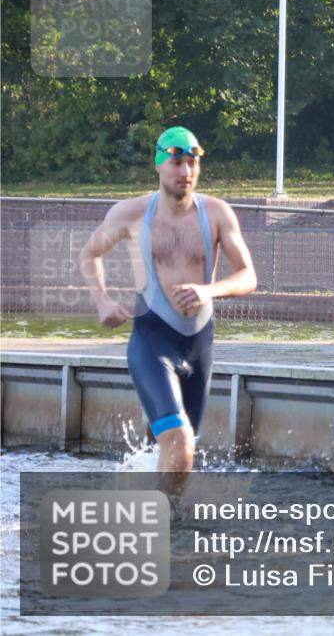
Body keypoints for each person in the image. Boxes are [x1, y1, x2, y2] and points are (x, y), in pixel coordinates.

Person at [80, 127, 257, 496]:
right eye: (177, 162)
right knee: (178, 442)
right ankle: (161, 525)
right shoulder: (131, 213)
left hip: (200, 346)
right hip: (152, 340)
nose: (186, 172)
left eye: (192, 163)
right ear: (159, 165)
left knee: (183, 454)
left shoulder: (218, 213)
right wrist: (102, 300)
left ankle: (164, 524)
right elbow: (90, 254)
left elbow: (248, 275)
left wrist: (209, 289)